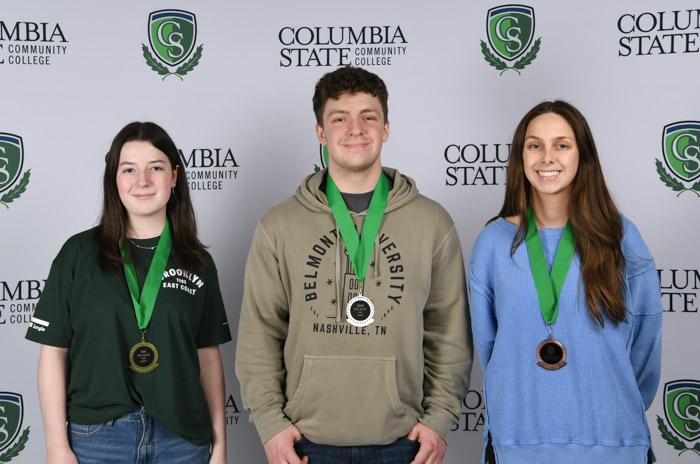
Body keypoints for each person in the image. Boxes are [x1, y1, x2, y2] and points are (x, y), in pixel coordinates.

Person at [235, 66, 473, 464]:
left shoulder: (432, 222)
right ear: (320, 134)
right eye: (339, 118)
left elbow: (448, 334)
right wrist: (269, 423)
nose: (356, 129)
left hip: (403, 440)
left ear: (386, 128)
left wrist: (439, 419)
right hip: (304, 441)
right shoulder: (279, 224)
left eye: (369, 116)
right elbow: (260, 333)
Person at [468, 101, 662, 464]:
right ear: (520, 156)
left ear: (582, 154)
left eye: (562, 144)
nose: (547, 157)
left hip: (613, 444)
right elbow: (492, 349)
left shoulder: (619, 236)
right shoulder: (493, 243)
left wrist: (609, 405)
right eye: (534, 144)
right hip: (518, 445)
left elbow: (645, 344)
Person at [26, 122, 231, 464]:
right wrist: (56, 447)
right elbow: (53, 355)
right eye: (129, 169)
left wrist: (220, 447)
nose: (143, 181)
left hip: (182, 441)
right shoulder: (77, 255)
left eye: (156, 168)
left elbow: (207, 358)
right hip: (98, 440)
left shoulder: (198, 261)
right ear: (114, 179)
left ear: (174, 177)